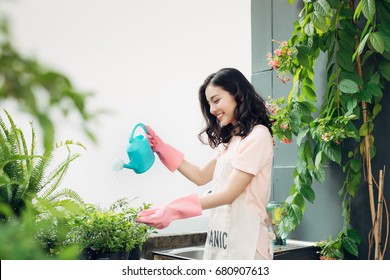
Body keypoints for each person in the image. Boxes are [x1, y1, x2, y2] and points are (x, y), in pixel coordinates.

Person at [136, 68, 274, 260]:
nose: (211, 110)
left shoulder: (257, 136)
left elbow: (229, 194)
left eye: (216, 100)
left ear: (238, 94)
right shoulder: (231, 141)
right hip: (222, 240)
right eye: (209, 104)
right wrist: (162, 148)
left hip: (247, 246)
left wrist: (173, 210)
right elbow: (200, 175)